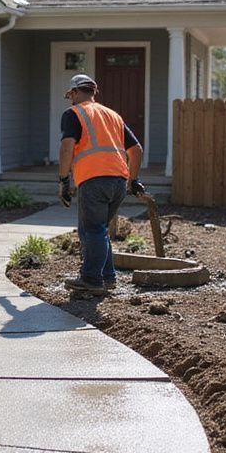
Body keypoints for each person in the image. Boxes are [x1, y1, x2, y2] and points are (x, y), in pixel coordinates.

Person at [57, 73, 144, 296]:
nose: (70, 100)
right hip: (118, 180)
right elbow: (136, 150)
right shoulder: (113, 115)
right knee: (99, 230)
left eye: (70, 96)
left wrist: (64, 180)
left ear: (75, 93)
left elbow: (67, 146)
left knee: (92, 229)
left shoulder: (74, 113)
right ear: (93, 92)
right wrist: (133, 181)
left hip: (94, 179)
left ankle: (91, 279)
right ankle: (108, 277)